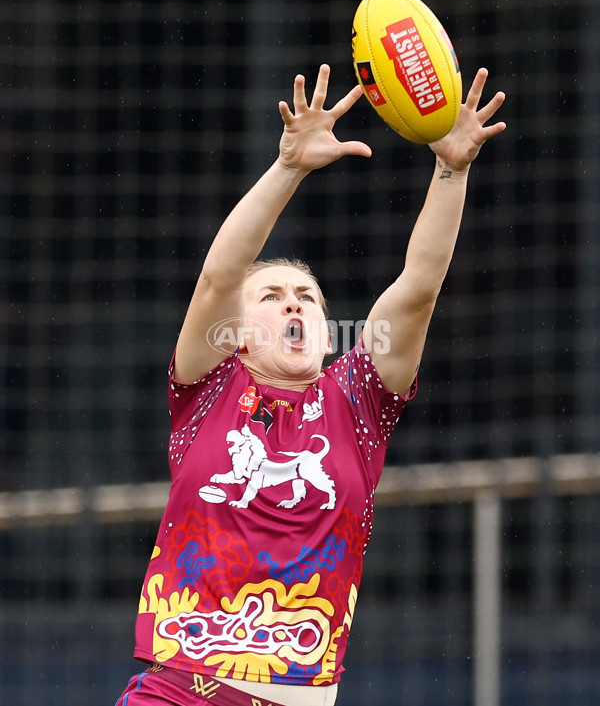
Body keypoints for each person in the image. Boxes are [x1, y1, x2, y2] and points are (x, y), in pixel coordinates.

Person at [114, 64, 506, 706]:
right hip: (179, 692)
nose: (294, 305)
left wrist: (451, 169)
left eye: (308, 298)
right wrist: (289, 166)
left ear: (330, 334)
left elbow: (418, 289)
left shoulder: (357, 402)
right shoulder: (207, 386)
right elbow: (219, 278)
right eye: (272, 296)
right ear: (236, 333)